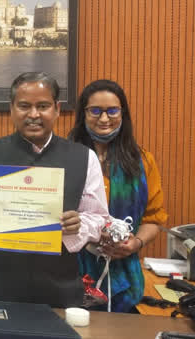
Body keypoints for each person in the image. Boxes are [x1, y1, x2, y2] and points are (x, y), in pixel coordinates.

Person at [0, 72, 109, 308]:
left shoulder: (84, 157)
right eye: (24, 106)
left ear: (57, 109)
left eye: (42, 106)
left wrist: (80, 224)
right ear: (11, 109)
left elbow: (98, 217)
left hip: (59, 286)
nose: (33, 115)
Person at [69, 79, 167, 312]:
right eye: (95, 111)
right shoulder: (65, 157)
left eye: (112, 110)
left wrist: (135, 243)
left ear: (123, 113)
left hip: (124, 277)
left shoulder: (142, 161)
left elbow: (154, 219)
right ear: (83, 114)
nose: (104, 118)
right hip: (70, 273)